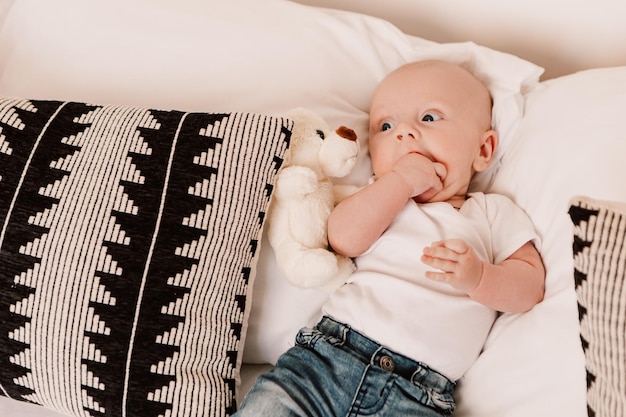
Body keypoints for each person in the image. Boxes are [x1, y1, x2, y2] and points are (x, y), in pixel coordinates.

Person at [234, 60, 545, 416]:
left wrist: (480, 277)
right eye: (386, 125)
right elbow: (342, 239)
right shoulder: (382, 197)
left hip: (418, 393)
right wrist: (398, 183)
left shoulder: (491, 214)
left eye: (429, 118)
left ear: (483, 150)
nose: (404, 133)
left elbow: (529, 287)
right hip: (326, 360)